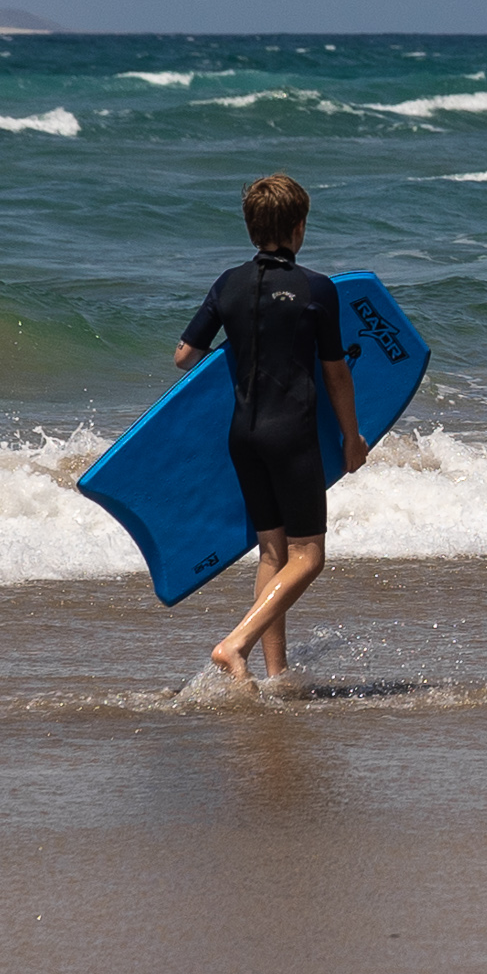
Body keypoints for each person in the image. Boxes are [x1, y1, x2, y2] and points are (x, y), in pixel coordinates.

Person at [175, 172, 365, 689]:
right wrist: (352, 436)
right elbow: (336, 373)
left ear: (250, 228)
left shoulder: (227, 283)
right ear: (299, 228)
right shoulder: (316, 290)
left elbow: (185, 357)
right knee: (310, 556)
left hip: (243, 435)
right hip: (291, 435)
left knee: (273, 553)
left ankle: (274, 674)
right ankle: (234, 643)